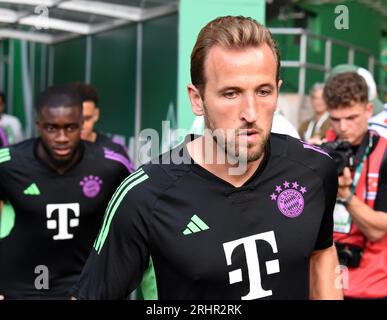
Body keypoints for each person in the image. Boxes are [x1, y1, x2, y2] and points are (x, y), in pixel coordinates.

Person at [73, 16, 342, 300]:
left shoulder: (314, 170)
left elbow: (322, 253)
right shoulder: (144, 195)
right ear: (197, 99)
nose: (250, 112)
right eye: (231, 93)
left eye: (263, 91)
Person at [0, 85, 131, 299]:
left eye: (70, 128)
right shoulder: (9, 162)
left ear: (82, 124)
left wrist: (110, 287)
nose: (62, 137)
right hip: (20, 288)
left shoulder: (111, 164)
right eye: (52, 128)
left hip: (84, 288)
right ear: (38, 125)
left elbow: (137, 227)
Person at [323, 72, 387, 299]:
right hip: (326, 281)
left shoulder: (384, 152)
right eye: (336, 119)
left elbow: (378, 228)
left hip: (372, 286)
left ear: (368, 110)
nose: (343, 128)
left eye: (351, 118)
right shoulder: (320, 151)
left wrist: (345, 195)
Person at [72, 82, 132, 164]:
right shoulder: (56, 151)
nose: (81, 125)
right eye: (75, 119)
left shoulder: (116, 151)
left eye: (87, 118)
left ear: (96, 114)